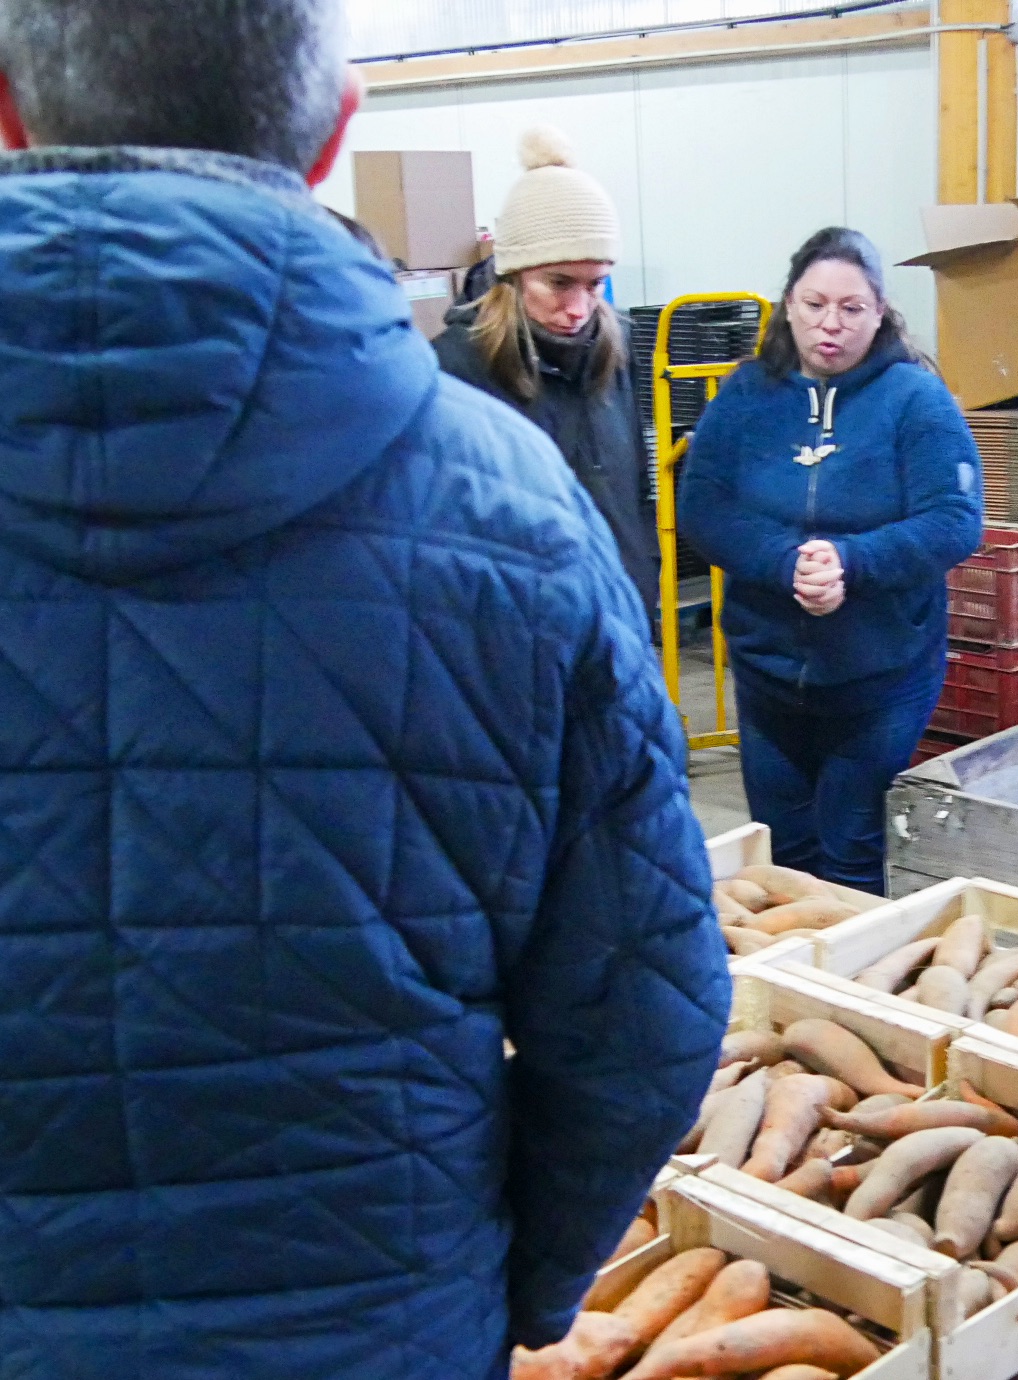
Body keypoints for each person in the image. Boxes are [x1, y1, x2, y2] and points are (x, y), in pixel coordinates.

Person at [0, 4, 730, 1377]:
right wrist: (509, 1290)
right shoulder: (514, 514)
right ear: (340, 128)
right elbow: (646, 1019)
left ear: (6, 110)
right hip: (379, 1325)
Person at [682, 228, 982, 893]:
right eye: (814, 303)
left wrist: (852, 561)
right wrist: (782, 561)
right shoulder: (746, 396)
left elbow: (954, 520)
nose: (831, 324)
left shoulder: (915, 401)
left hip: (879, 676)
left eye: (851, 308)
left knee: (849, 851)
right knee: (783, 856)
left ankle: (847, 984)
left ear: (879, 313)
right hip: (766, 677)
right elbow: (703, 505)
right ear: (787, 304)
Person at [434, 128, 660, 622]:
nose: (578, 308)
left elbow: (635, 488)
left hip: (621, 613)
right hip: (519, 629)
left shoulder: (617, 346)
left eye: (595, 284)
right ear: (513, 275)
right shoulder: (456, 370)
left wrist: (644, 576)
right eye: (558, 283)